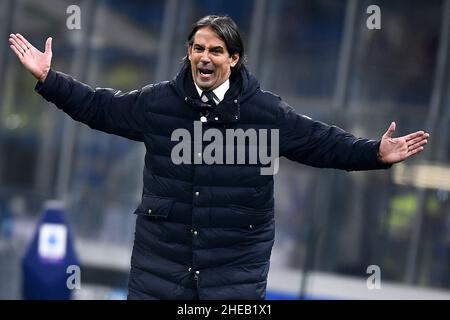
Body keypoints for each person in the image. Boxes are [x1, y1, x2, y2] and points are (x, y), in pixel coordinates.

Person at [9, 15, 429, 300]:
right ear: (188, 53)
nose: (204, 57)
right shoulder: (159, 104)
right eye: (197, 48)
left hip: (234, 276)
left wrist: (374, 152)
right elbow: (101, 108)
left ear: (234, 58)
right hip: (161, 272)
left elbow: (320, 143)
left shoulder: (266, 112)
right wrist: (50, 79)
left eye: (214, 50)